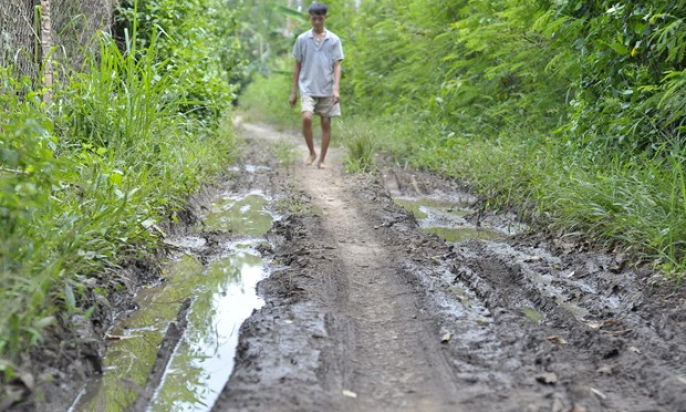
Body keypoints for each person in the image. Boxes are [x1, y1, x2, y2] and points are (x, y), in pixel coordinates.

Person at [289, 1, 344, 169]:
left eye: (320, 19)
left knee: (326, 123)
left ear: (325, 17)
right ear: (309, 18)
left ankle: (322, 159)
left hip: (327, 88)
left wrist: (336, 89)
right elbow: (297, 65)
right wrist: (293, 92)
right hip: (307, 87)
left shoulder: (333, 40)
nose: (317, 22)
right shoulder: (302, 39)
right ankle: (312, 152)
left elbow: (337, 65)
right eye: (314, 19)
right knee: (306, 117)